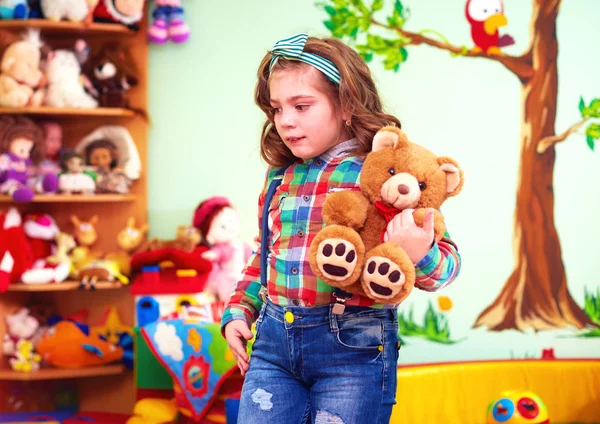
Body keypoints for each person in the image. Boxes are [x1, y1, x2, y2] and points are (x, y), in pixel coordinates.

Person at [221, 33, 461, 423]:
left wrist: (420, 253)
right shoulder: (281, 175)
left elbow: (447, 267)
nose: (286, 121)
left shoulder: (389, 171)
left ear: (347, 103)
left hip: (353, 347)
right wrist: (239, 309)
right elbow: (265, 253)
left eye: (301, 106)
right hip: (272, 343)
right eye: (276, 109)